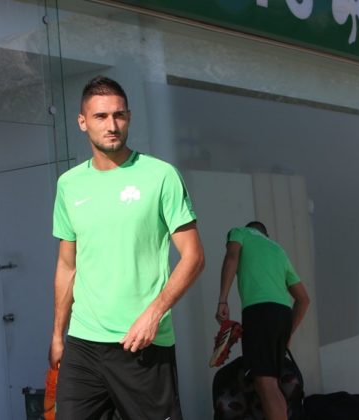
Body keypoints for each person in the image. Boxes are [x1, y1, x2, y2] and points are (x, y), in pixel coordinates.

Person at [50, 75, 205, 419]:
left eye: (118, 115)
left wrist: (154, 314)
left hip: (141, 342)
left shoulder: (160, 175)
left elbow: (194, 257)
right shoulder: (69, 185)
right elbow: (67, 266)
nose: (112, 125)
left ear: (129, 118)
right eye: (101, 116)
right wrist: (58, 334)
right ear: (82, 122)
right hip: (83, 344)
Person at [216, 221, 310, 420]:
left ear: (250, 229)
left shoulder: (239, 233)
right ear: (266, 235)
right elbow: (303, 300)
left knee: (266, 385)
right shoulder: (278, 251)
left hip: (259, 313)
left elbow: (231, 257)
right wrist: (288, 332)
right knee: (272, 385)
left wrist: (223, 299)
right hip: (283, 315)